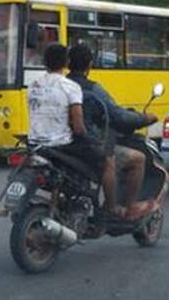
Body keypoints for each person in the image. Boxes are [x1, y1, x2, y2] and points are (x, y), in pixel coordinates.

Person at [67, 43, 159, 221]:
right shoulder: (92, 88)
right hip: (86, 144)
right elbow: (118, 116)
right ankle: (125, 207)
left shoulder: (62, 84)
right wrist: (145, 118)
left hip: (63, 143)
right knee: (137, 158)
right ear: (90, 65)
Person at [28, 42, 117, 214]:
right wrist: (92, 140)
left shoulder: (34, 85)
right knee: (108, 160)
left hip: (35, 143)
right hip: (61, 144)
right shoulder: (71, 87)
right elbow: (78, 126)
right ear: (66, 63)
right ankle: (110, 208)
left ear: (45, 63)